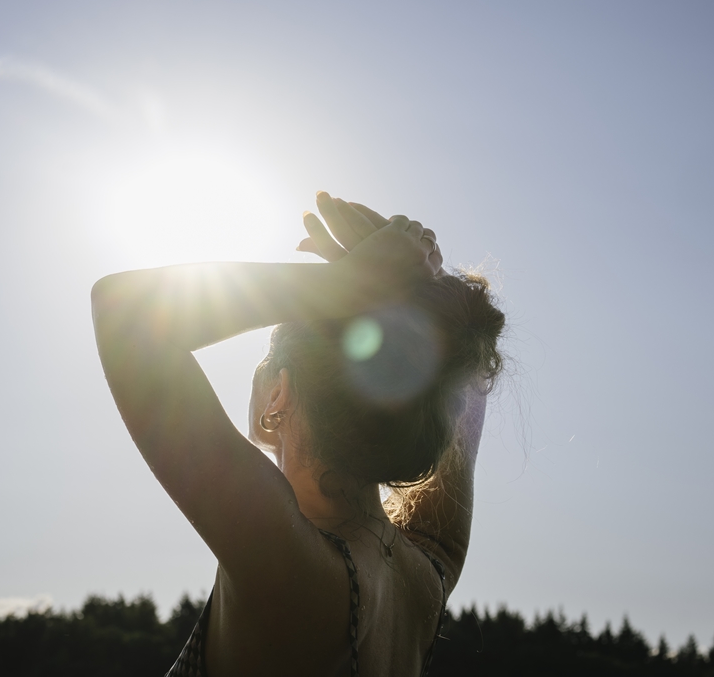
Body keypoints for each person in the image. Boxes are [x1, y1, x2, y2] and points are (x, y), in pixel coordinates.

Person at [91, 192, 506, 677]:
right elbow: (466, 376)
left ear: (279, 393)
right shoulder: (428, 576)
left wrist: (347, 284)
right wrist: (422, 290)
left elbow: (125, 312)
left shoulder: (283, 558)